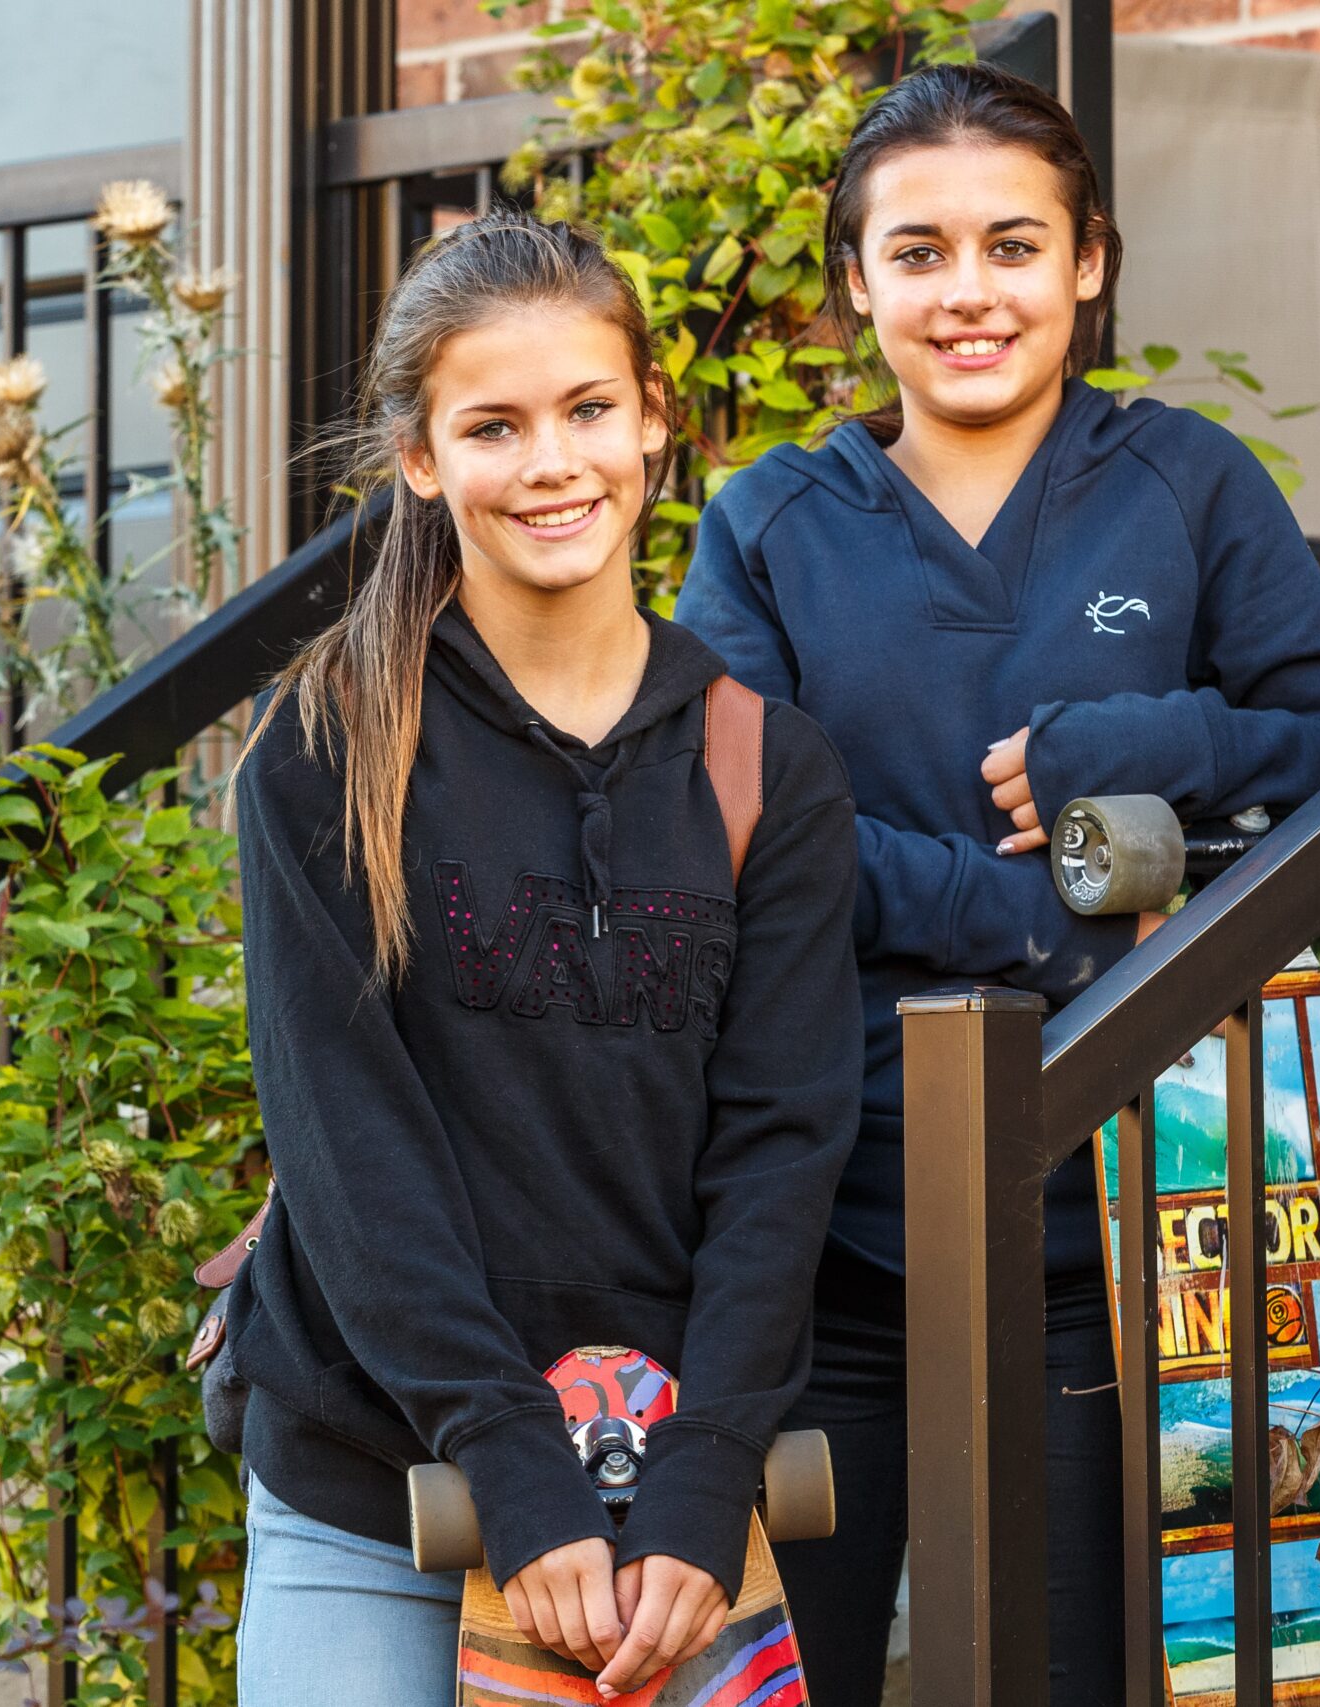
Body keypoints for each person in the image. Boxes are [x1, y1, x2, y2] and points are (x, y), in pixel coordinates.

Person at [672, 60, 1320, 1706]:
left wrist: (1142, 739)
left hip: (1110, 1257)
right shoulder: (774, 523)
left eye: (1013, 244)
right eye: (916, 253)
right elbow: (727, 829)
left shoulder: (1187, 484)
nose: (968, 292)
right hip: (819, 1247)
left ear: (1087, 263)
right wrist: (1024, 914)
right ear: (858, 285)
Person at [226, 209, 865, 1702]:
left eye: (589, 409)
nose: (553, 462)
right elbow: (350, 1144)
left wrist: (709, 1482)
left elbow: (781, 1146)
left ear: (653, 420)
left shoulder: (764, 763)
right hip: (375, 1483)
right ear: (423, 457)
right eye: (494, 426)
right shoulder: (334, 750)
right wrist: (510, 1461)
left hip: (674, 1513)